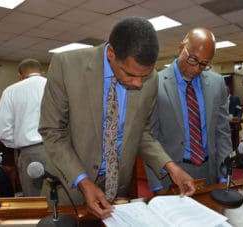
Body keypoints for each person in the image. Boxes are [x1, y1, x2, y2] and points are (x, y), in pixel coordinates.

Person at [38, 17, 195, 219]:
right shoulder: (66, 66)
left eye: (144, 76)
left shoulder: (151, 79)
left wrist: (170, 167)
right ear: (111, 54)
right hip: (70, 186)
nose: (139, 83)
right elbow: (52, 132)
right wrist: (84, 181)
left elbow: (142, 133)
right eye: (130, 74)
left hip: (116, 189)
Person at [144, 28, 232, 194]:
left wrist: (223, 173)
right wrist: (157, 185)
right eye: (193, 59)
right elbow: (150, 138)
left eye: (204, 64)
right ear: (180, 49)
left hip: (209, 171)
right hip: (171, 174)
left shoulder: (217, 83)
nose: (197, 69)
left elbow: (222, 132)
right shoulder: (155, 83)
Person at [0, 58, 47, 196]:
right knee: (62, 199)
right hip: (60, 150)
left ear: (20, 76)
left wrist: (20, 143)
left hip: (30, 153)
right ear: (41, 72)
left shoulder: (11, 91)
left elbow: (2, 131)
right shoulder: (54, 85)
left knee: (35, 200)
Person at [226, 86, 242, 150]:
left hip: (234, 124)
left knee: (234, 142)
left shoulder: (235, 98)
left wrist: (238, 117)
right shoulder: (220, 99)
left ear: (228, 91)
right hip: (225, 124)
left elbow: (239, 109)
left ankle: (235, 155)